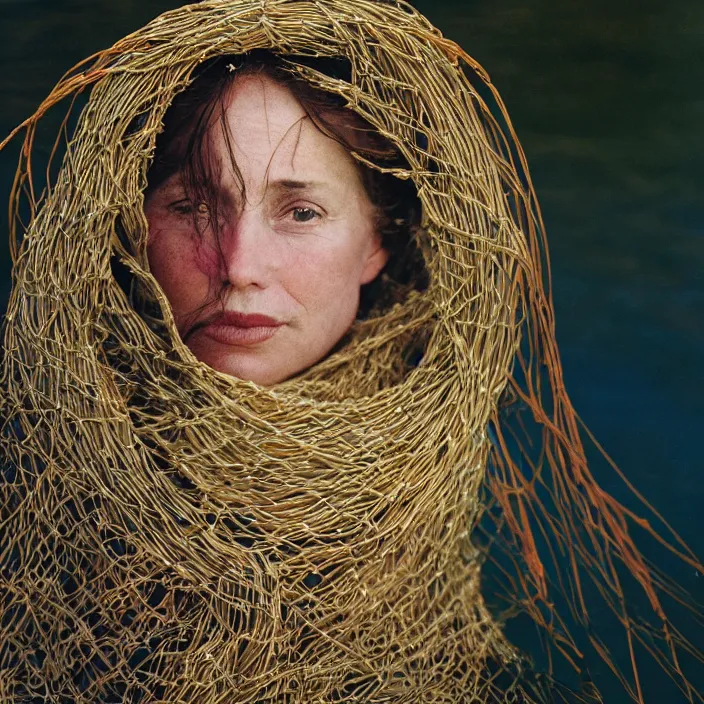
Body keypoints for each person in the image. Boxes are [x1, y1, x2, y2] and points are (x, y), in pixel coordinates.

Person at [0, 1, 700, 702]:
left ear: (377, 241)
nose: (239, 264)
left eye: (299, 212)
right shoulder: (28, 463)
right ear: (129, 222)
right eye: (192, 205)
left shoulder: (427, 482)